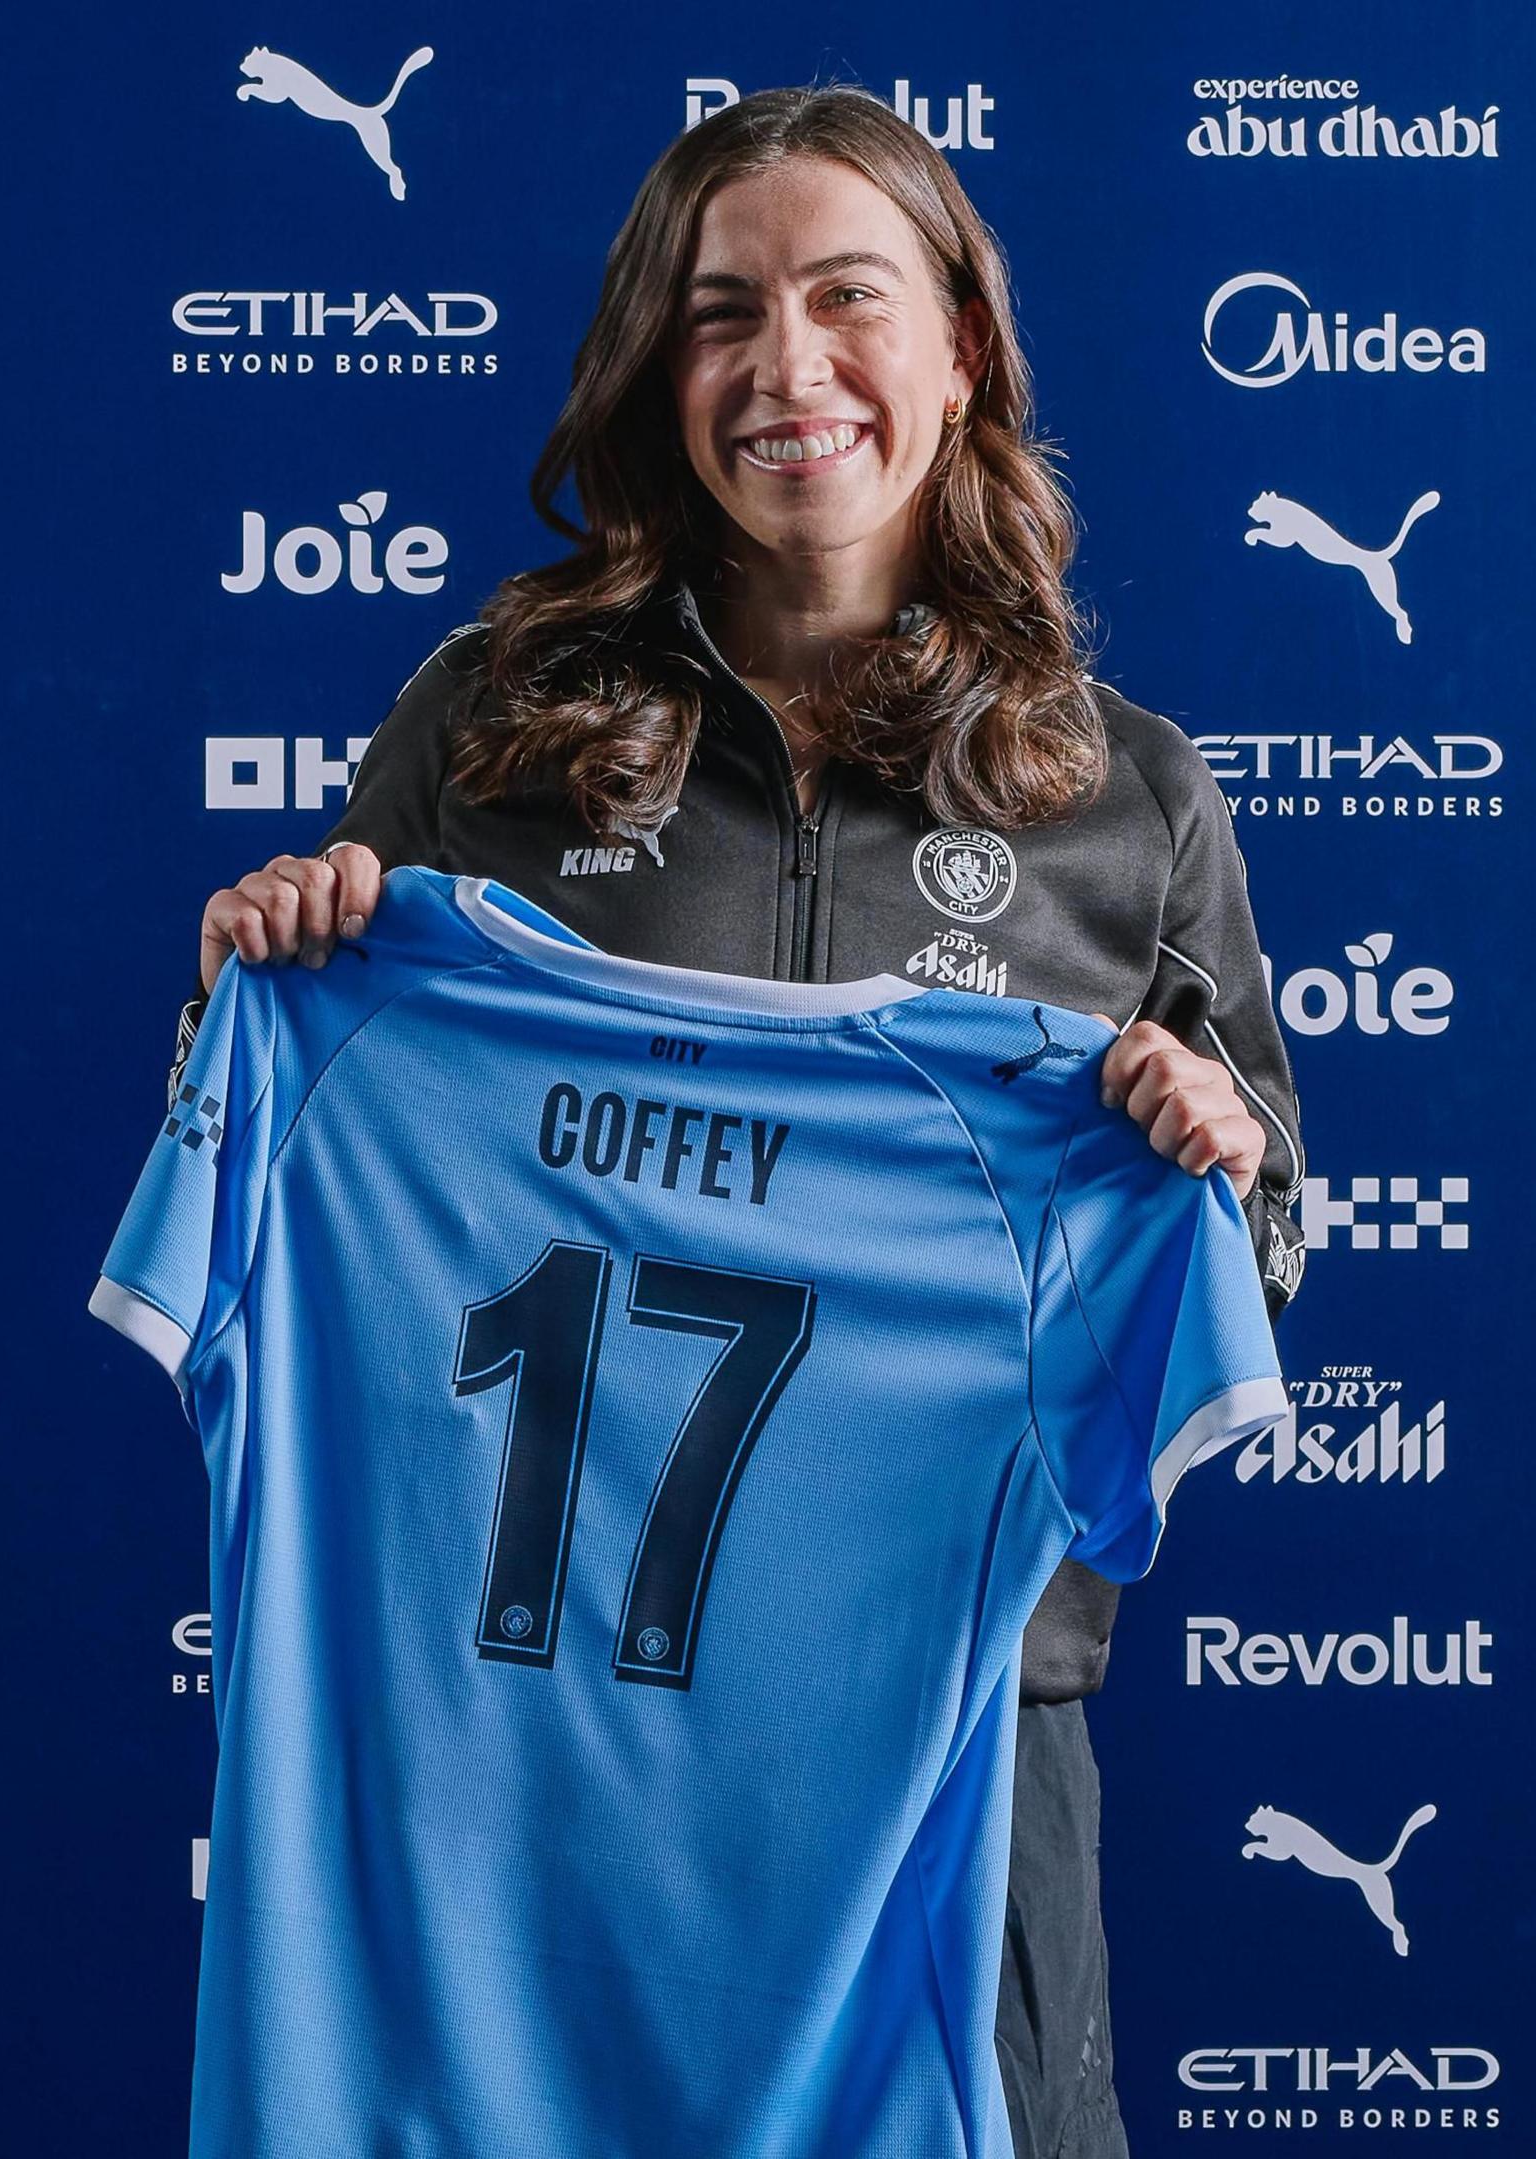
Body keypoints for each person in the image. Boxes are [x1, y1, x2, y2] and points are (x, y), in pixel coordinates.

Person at [184, 86, 1304, 2159]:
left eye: (847, 299)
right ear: (654, 371)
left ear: (959, 345)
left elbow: (1261, 1241)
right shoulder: (486, 726)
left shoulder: (1123, 796)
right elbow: (303, 1166)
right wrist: (278, 957)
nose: (788, 368)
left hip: (945, 1737)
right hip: (528, 1752)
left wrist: (1212, 1152)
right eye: (723, 315)